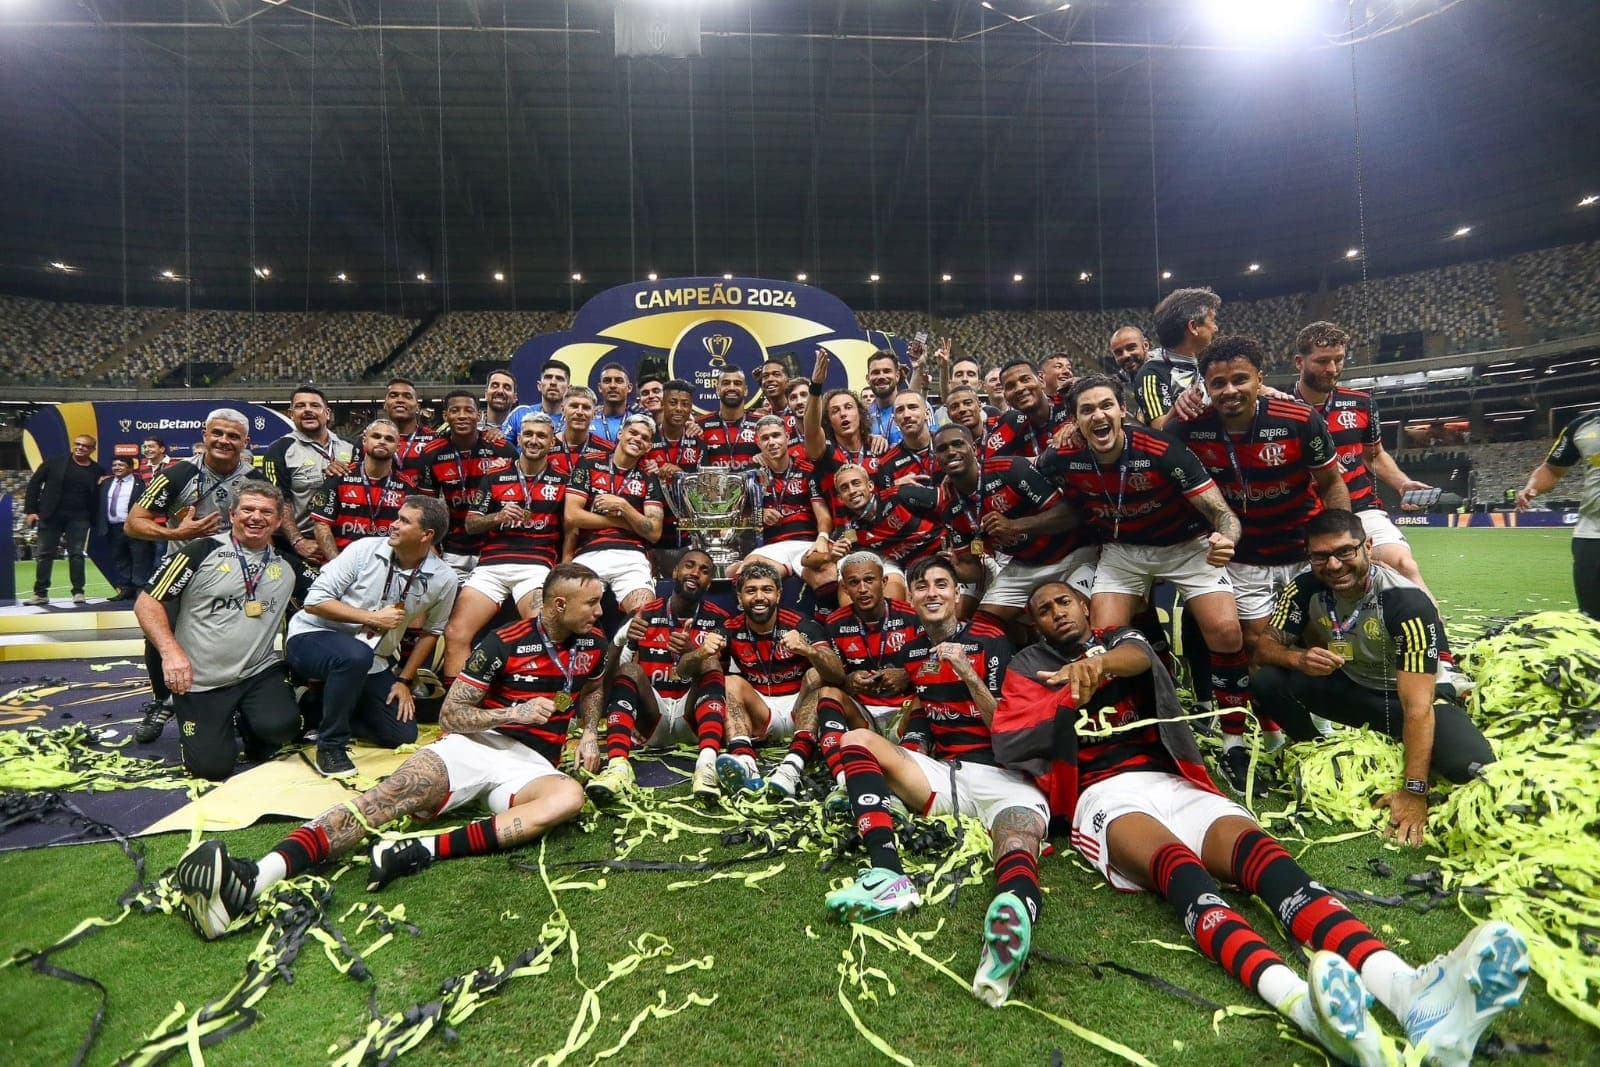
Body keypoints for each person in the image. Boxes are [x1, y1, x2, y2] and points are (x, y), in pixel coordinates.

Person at [992, 574, 1530, 1061]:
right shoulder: (1024, 665)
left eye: (1065, 601)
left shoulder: (1121, 639)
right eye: (1043, 609)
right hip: (1102, 797)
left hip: (1173, 782)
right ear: (1033, 623)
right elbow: (1015, 728)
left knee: (1265, 861)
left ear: (1087, 607)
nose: (1057, 612)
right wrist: (1054, 696)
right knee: (1181, 872)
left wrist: (1099, 663)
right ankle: (1299, 1006)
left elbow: (1136, 658)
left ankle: (1406, 989)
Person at [173, 564, 608, 940]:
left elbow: (591, 688)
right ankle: (253, 878)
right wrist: (514, 712)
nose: (600, 612)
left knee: (568, 799)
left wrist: (588, 732)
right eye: (591, 603)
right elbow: (452, 716)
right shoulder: (502, 643)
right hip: (475, 745)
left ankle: (419, 851)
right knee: (391, 795)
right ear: (557, 606)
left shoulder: (593, 642)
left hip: (531, 765)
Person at [824, 555, 1047, 1008]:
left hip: (1006, 774)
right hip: (947, 776)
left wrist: (967, 673)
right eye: (921, 585)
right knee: (858, 740)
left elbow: (1007, 726)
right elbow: (924, 708)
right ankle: (889, 875)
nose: (931, 593)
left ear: (957, 594)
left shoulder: (991, 640)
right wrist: (913, 750)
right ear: (910, 595)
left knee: (1017, 837)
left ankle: (1010, 920)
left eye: (941, 584)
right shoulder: (913, 652)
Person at [1037, 375, 1251, 763]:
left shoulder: (1163, 450)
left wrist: (1227, 539)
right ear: (1074, 422)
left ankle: (1233, 737)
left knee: (1224, 629)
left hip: (1186, 546)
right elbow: (1040, 487)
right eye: (1086, 410)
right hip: (1125, 551)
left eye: (1106, 406)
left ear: (1123, 411)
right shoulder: (1060, 458)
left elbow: (1221, 512)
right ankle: (1143, 719)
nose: (1098, 415)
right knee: (1103, 639)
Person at [1254, 510, 1497, 843]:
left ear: (1367, 546)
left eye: (1345, 552)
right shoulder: (1304, 588)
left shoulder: (1406, 602)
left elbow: (1417, 707)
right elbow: (1264, 648)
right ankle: (1315, 751)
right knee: (1267, 680)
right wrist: (1297, 658)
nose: (1334, 565)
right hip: (1351, 687)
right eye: (1320, 556)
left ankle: (1423, 743)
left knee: (1470, 765)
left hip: (1411, 699)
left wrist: (1414, 792)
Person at [1171, 336, 1349, 789]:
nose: (1229, 390)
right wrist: (1177, 409)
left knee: (1316, 635)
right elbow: (1145, 440)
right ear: (1205, 387)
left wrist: (1340, 537)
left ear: (1260, 380)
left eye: (1240, 379)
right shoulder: (1196, 424)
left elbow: (1331, 482)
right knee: (1258, 644)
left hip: (1301, 549)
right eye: (1218, 383)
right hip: (1245, 556)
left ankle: (1317, 722)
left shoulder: (1297, 418)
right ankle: (1273, 728)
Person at [134, 482, 312, 780]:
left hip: (258, 672)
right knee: (211, 769)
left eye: (266, 511)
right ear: (232, 514)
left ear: (279, 520)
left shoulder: (288, 564)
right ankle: (199, 717)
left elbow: (329, 593)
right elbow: (147, 602)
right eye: (248, 509)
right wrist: (171, 653)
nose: (256, 517)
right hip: (200, 678)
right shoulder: (201, 551)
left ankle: (254, 721)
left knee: (282, 729)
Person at [284, 496, 460, 777]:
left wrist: (404, 680)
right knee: (355, 655)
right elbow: (314, 601)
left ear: (426, 535)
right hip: (312, 635)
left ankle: (314, 706)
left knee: (400, 734)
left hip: (372, 657)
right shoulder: (364, 550)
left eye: (404, 521)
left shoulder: (444, 578)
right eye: (397, 517)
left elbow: (432, 632)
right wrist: (371, 618)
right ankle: (331, 746)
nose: (393, 525)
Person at [127, 410, 272, 743]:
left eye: (233, 436)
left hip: (239, 574)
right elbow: (133, 523)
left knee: (233, 639)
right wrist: (177, 533)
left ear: (245, 442)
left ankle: (230, 703)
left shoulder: (259, 479)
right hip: (182, 569)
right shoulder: (176, 474)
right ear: (205, 435)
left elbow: (275, 518)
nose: (224, 441)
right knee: (159, 632)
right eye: (217, 433)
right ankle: (162, 701)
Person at [1292, 322, 1441, 603]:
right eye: (1322, 361)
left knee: (1403, 565)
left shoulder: (1361, 403)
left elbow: (1374, 455)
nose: (1333, 369)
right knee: (1310, 589)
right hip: (1303, 514)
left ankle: (1438, 644)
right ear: (1300, 362)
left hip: (1361, 509)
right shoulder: (1280, 407)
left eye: (1338, 360)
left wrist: (1403, 483)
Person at [584, 550, 732, 805]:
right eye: (689, 565)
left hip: (693, 717)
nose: (695, 573)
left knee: (710, 663)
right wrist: (621, 640)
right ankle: (618, 766)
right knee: (630, 670)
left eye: (705, 570)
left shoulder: (720, 620)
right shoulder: (644, 615)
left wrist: (691, 653)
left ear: (710, 582)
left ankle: (707, 765)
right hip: (652, 718)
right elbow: (607, 682)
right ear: (675, 572)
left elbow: (725, 680)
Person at [904, 423, 1092, 622]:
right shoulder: (949, 507)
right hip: (1024, 565)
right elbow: (974, 569)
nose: (951, 452)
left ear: (974, 449)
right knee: (984, 625)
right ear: (936, 459)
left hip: (1072, 555)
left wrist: (1015, 525)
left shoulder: (1011, 469)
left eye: (958, 444)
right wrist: (954, 568)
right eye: (942, 449)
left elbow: (1072, 514)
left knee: (1074, 618)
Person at [441, 414, 567, 686]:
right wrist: (497, 517)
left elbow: (572, 529)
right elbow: (471, 524)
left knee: (543, 631)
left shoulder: (563, 480)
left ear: (552, 441)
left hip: (536, 566)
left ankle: (530, 698)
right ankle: (458, 705)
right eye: (529, 434)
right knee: (455, 632)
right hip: (491, 567)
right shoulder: (495, 475)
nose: (534, 440)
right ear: (519, 438)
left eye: (541, 435)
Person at [806, 552, 918, 801]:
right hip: (862, 715)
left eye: (870, 580)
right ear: (844, 587)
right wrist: (849, 681)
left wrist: (907, 676)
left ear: (884, 582)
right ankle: (844, 779)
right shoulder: (834, 623)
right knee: (827, 692)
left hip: (904, 712)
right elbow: (834, 676)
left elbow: (932, 666)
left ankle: (911, 775)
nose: (863, 589)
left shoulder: (911, 616)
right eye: (854, 583)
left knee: (924, 698)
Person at [713, 561, 830, 796]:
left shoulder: (801, 624)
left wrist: (809, 651)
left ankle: (792, 767)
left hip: (801, 708)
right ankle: (746, 764)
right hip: (760, 712)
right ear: (739, 597)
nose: (759, 597)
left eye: (766, 589)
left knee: (817, 673)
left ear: (778, 594)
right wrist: (699, 654)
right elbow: (691, 671)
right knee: (728, 681)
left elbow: (838, 674)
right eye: (751, 590)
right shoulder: (729, 627)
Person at [564, 413, 665, 615]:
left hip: (631, 557)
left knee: (645, 616)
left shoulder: (649, 477)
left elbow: (654, 532)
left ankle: (622, 646)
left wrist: (623, 506)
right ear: (620, 434)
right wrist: (624, 522)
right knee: (571, 613)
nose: (637, 439)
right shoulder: (589, 463)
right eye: (633, 432)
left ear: (648, 447)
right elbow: (572, 516)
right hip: (588, 553)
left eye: (645, 438)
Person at [733, 416, 837, 609]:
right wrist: (759, 515)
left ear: (787, 437)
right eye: (765, 438)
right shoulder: (750, 476)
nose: (771, 442)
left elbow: (823, 514)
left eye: (776, 436)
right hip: (773, 550)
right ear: (758, 442)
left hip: (807, 544)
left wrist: (822, 537)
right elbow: (734, 521)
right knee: (746, 578)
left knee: (828, 580)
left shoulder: (807, 469)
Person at [418, 389, 517, 576]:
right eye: (455, 410)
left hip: (495, 544)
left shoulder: (502, 449)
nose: (462, 416)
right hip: (453, 547)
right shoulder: (431, 453)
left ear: (479, 415)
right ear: (445, 415)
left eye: (469, 410)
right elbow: (426, 507)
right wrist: (430, 546)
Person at [1516, 408, 1600, 617]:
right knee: (1592, 619)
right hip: (1592, 536)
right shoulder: (1582, 427)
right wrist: (1532, 487)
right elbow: (1552, 469)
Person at [261, 385, 354, 564]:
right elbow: (278, 500)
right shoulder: (279, 449)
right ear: (291, 414)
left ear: (327, 413)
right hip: (306, 546)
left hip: (347, 540)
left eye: (315, 406)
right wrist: (298, 541)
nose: (308, 410)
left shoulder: (352, 447)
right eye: (300, 406)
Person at [830, 464, 943, 601]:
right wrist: (831, 554)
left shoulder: (899, 495)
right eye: (845, 488)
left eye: (856, 483)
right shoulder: (852, 530)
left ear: (870, 486)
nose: (852, 491)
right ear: (840, 498)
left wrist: (957, 544)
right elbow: (813, 559)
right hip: (915, 569)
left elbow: (946, 500)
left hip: (943, 552)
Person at [308, 419, 416, 560]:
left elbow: (411, 530)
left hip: (385, 563)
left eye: (389, 439)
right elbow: (321, 525)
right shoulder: (340, 476)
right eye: (376, 436)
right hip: (342, 559)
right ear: (364, 440)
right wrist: (337, 565)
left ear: (397, 447)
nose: (382, 441)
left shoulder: (407, 486)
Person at [803, 348, 888, 520]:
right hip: (845, 539)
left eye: (848, 407)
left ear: (860, 414)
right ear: (828, 420)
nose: (843, 413)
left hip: (883, 533)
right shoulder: (825, 453)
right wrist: (816, 386)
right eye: (835, 411)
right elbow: (811, 430)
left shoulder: (877, 446)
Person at [24, 433, 104, 606]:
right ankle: (40, 593)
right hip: (50, 515)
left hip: (80, 517)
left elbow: (98, 497)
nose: (80, 447)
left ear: (92, 449)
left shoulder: (97, 470)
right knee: (45, 554)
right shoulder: (54, 463)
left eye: (85, 446)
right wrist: (31, 510)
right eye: (77, 444)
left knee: (76, 554)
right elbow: (34, 485)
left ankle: (78, 592)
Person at [1135, 286, 1220, 430]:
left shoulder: (1213, 361)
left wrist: (1261, 391)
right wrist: (1178, 408)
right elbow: (1160, 430)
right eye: (1212, 321)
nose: (1216, 328)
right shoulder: (1152, 373)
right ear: (1193, 327)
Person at [985, 361, 1065, 460]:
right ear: (1005, 397)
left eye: (1025, 380)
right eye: (1010, 386)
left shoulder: (1070, 406)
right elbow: (988, 465)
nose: (1019, 388)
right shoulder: (1009, 424)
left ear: (1041, 380)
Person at [128, 437, 174, 592]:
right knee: (141, 557)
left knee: (161, 558)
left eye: (151, 446)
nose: (147, 450)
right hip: (145, 520)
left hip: (166, 520)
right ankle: (142, 590)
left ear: (162, 449)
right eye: (145, 447)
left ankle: (158, 589)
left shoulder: (176, 465)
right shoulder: (141, 467)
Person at [695, 366, 760, 469]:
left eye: (737, 383)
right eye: (726, 383)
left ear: (746, 390)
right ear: (717, 390)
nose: (731, 388)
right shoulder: (700, 425)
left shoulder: (761, 423)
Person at [875, 390, 939, 490]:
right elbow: (882, 501)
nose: (906, 415)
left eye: (913, 407)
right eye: (900, 410)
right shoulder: (886, 464)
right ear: (895, 420)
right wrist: (894, 488)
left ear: (927, 414)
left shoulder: (948, 445)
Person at [97, 457, 141, 599]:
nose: (117, 467)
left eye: (121, 465)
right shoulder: (105, 483)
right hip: (113, 528)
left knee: (139, 557)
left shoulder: (140, 483)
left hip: (135, 526)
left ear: (130, 468)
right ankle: (125, 589)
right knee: (120, 558)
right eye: (114, 465)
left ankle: (140, 589)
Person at [381, 377, 439, 478]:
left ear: (418, 407)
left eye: (407, 396)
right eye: (393, 396)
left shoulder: (435, 440)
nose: (400, 400)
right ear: (385, 405)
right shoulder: (369, 440)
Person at [549, 387, 613, 475]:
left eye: (586, 408)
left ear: (594, 414)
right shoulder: (546, 446)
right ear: (563, 410)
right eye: (574, 406)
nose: (579, 412)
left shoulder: (608, 450)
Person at [504, 359, 571, 437]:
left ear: (569, 389)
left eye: (559, 378)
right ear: (539, 386)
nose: (553, 382)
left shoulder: (576, 420)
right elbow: (502, 444)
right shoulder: (520, 414)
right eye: (548, 377)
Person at [864, 349, 905, 446]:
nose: (881, 376)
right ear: (868, 379)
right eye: (876, 372)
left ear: (897, 376)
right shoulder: (863, 417)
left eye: (887, 371)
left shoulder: (916, 408)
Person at [593, 363, 634, 444]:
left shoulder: (638, 420)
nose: (612, 385)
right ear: (600, 387)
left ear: (629, 387)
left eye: (619, 381)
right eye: (607, 381)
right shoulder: (588, 420)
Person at [481, 369, 519, 434]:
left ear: (515, 398)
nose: (500, 391)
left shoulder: (521, 432)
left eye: (507, 388)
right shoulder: (473, 430)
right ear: (486, 394)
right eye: (495, 386)